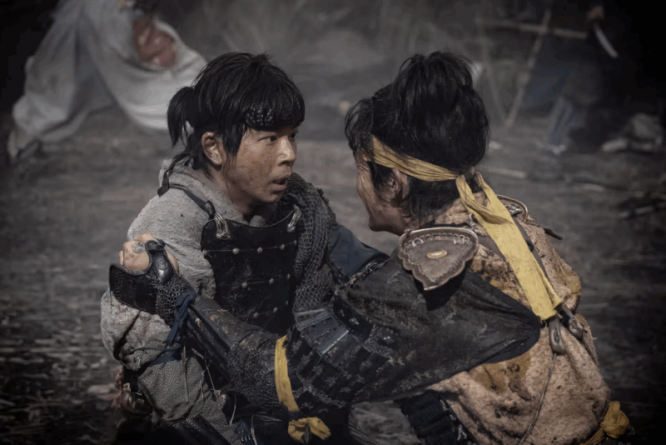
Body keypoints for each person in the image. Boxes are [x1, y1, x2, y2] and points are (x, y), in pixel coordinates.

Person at [112, 51, 632, 444]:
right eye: (272, 139)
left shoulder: (415, 286)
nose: (290, 156)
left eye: (361, 167)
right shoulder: (504, 222)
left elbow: (281, 379)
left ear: (395, 185)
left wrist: (173, 293)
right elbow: (370, 278)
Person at [101, 52, 385, 444]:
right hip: (202, 423)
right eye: (270, 139)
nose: (289, 154)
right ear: (214, 148)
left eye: (292, 136)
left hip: (283, 397)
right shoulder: (172, 224)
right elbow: (164, 371)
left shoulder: (299, 206)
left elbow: (346, 278)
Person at [6, 0, 206, 164]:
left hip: (114, 17)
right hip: (98, 16)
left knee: (172, 70)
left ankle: (207, 112)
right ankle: (25, 138)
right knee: (57, 77)